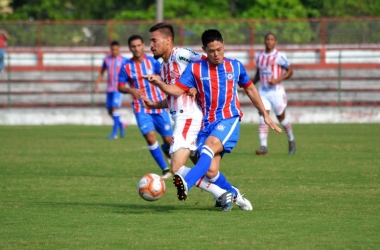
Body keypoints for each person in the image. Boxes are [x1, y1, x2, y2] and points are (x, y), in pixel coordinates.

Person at [144, 29, 282, 205]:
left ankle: (187, 183)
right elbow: (177, 91)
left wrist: (264, 114)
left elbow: (250, 89)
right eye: (211, 51)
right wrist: (160, 87)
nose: (216, 54)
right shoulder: (195, 69)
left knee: (207, 150)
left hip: (228, 118)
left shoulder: (235, 66)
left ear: (224, 45)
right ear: (204, 49)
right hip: (206, 123)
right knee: (210, 171)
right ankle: (234, 195)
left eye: (219, 49)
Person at [117, 35, 172, 178]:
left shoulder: (153, 62)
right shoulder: (126, 67)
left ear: (143, 46)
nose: (136, 49)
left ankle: (166, 149)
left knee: (168, 140)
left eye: (138, 45)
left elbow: (165, 77)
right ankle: (165, 169)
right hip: (141, 107)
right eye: (133, 46)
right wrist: (130, 90)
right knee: (150, 137)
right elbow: (120, 86)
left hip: (158, 104)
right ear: (130, 48)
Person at [253, 33, 296, 155]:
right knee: (263, 117)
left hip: (276, 92)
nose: (269, 41)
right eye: (267, 39)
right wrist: (250, 85)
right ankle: (263, 146)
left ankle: (291, 140)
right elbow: (258, 73)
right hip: (263, 91)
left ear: (275, 42)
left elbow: (290, 71)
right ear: (264, 41)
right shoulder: (259, 56)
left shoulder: (279, 56)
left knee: (281, 118)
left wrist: (277, 80)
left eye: (272, 39)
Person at [94, 41, 128, 139]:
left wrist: (130, 88)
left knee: (114, 108)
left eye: (116, 50)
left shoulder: (124, 60)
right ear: (110, 50)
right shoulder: (107, 60)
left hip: (119, 89)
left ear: (119, 49)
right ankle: (122, 124)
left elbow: (128, 74)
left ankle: (114, 133)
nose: (114, 51)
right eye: (113, 50)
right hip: (109, 89)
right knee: (109, 111)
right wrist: (97, 84)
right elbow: (101, 72)